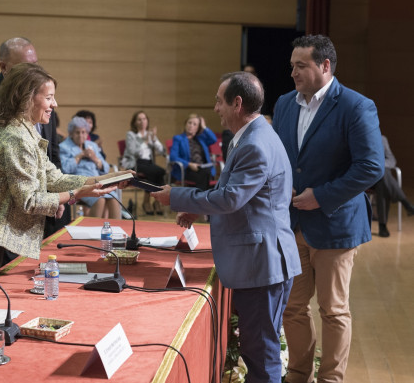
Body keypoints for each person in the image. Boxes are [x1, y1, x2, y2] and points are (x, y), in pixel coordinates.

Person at [151, 71, 301, 383]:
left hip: (262, 264)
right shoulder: (251, 135)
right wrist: (195, 207)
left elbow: (231, 198)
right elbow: (237, 194)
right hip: (262, 261)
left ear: (237, 102)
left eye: (219, 101)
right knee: (257, 349)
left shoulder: (254, 143)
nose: (215, 108)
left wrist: (178, 197)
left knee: (261, 354)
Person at [0, 63, 130, 294]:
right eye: (49, 97)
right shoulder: (17, 137)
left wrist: (106, 178)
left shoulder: (24, 131)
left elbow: (54, 177)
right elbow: (30, 201)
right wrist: (75, 194)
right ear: (28, 98)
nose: (55, 104)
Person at [273, 34, 384, 383]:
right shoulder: (284, 104)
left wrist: (321, 195)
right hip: (292, 224)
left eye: (301, 66)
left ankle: (330, 379)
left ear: (325, 66)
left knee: (333, 310)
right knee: (292, 307)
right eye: (292, 66)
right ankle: (298, 372)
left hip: (335, 224)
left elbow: (370, 167)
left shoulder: (355, 105)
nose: (293, 72)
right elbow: (282, 157)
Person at [0, 37, 68, 237]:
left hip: (41, 203)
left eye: (35, 65)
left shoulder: (43, 98)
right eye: (24, 67)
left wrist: (54, 195)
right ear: (4, 67)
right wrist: (27, 193)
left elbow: (51, 155)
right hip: (1, 214)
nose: (33, 72)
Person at [60, 116, 120, 218]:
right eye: (77, 132)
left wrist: (95, 158)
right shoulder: (64, 147)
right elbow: (65, 169)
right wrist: (80, 155)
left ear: (87, 133)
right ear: (71, 133)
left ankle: (117, 229)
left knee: (114, 199)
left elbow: (105, 168)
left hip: (97, 181)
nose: (80, 135)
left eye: (83, 132)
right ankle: (94, 230)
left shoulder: (92, 146)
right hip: (79, 183)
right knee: (100, 199)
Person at [121, 110, 166, 215]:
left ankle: (154, 201)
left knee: (160, 172)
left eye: (144, 119)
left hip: (148, 163)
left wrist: (154, 140)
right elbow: (132, 152)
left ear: (147, 121)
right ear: (135, 122)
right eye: (139, 119)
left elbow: (162, 151)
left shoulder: (149, 134)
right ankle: (149, 202)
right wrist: (145, 141)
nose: (142, 121)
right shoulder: (131, 134)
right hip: (135, 163)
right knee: (156, 172)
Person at [373, 135, 414, 237]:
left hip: (380, 178)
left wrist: (381, 166)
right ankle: (406, 203)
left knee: (383, 183)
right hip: (366, 176)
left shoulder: (382, 138)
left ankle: (383, 226)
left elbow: (391, 158)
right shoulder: (358, 136)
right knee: (384, 178)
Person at [169, 113, 217, 191]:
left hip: (203, 168)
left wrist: (204, 127)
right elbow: (173, 157)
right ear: (185, 124)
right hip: (187, 170)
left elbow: (214, 139)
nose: (191, 126)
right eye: (189, 123)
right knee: (205, 175)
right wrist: (189, 164)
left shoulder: (201, 139)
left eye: (195, 124)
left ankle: (199, 199)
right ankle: (201, 200)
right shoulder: (178, 138)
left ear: (198, 128)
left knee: (206, 173)